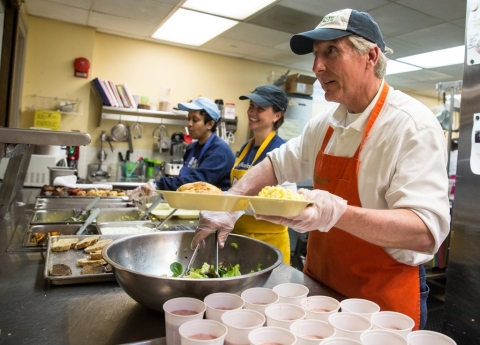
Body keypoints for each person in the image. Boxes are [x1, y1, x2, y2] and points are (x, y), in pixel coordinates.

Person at [191, 9, 451, 331]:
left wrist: (336, 214)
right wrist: (230, 203)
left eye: (331, 52)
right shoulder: (325, 125)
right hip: (321, 291)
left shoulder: (410, 125)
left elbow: (425, 233)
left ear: (370, 56)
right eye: (315, 55)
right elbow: (276, 163)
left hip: (380, 303)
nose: (317, 67)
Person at [231, 84, 295, 264]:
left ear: (277, 115)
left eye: (260, 109)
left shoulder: (282, 151)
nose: (252, 112)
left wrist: (236, 204)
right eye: (251, 106)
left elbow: (286, 204)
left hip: (268, 241)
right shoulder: (245, 148)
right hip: (239, 235)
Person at [129, 97, 235, 196]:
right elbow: (184, 179)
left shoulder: (220, 151)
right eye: (188, 119)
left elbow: (197, 182)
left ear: (210, 124)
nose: (189, 124)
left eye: (195, 120)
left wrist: (158, 184)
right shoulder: (192, 148)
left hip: (214, 212)